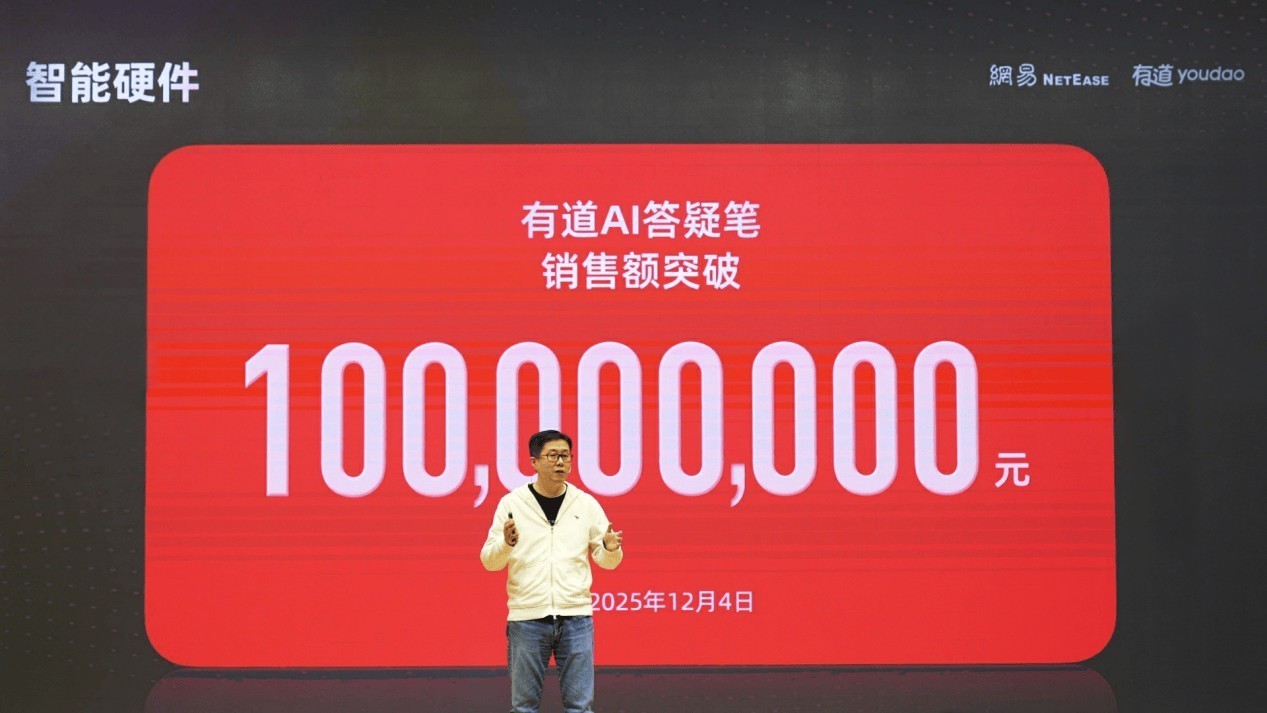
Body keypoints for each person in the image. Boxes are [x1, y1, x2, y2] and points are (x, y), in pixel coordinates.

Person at [480, 429, 624, 713]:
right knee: (524, 707)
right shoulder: (512, 504)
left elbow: (609, 561)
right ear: (534, 462)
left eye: (565, 456)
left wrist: (609, 548)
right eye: (552, 456)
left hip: (576, 617)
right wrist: (506, 544)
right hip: (527, 618)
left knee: (580, 707)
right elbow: (489, 561)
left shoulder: (585, 503)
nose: (560, 462)